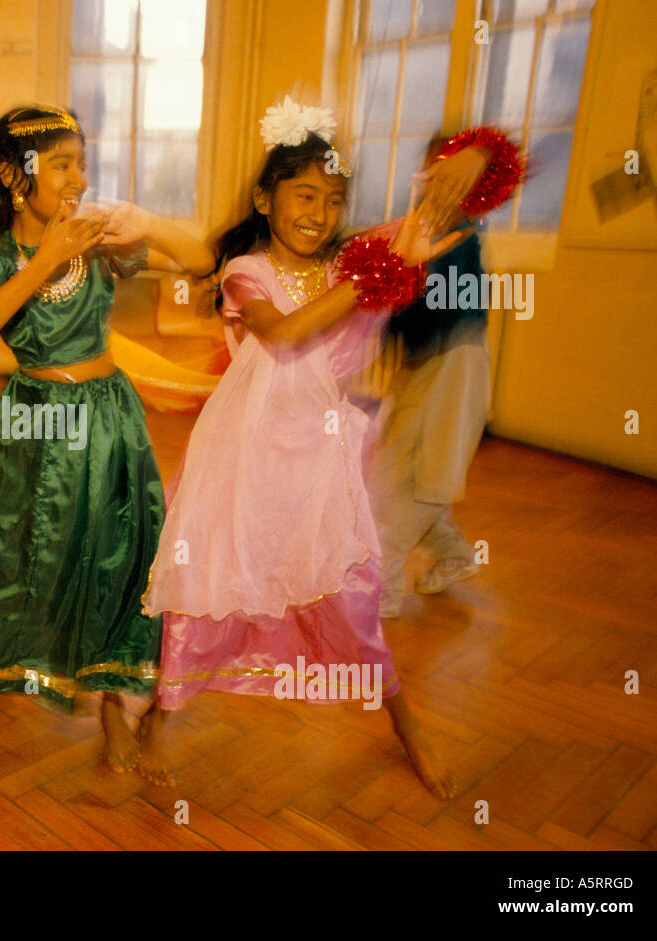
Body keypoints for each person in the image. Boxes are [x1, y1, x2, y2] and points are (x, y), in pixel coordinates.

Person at [140, 100, 518, 797]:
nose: (320, 210)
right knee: (211, 598)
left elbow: (463, 195)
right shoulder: (246, 270)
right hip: (246, 465)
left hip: (319, 466)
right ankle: (155, 721)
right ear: (266, 198)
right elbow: (283, 335)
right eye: (305, 194)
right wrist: (370, 279)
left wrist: (472, 158)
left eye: (335, 198)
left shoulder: (353, 259)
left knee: (357, 604)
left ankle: (409, 730)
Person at [0, 105, 215, 777]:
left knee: (118, 560)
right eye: (61, 163)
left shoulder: (96, 238)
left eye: (81, 162)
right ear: (14, 176)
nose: (78, 177)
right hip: (34, 422)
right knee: (23, 561)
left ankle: (112, 712)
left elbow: (201, 258)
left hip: (108, 420)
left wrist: (145, 225)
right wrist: (49, 258)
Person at [371, 135, 492, 618]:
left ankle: (382, 588)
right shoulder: (423, 228)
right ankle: (453, 552)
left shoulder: (459, 235)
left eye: (446, 176)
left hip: (451, 362)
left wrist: (393, 310)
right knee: (404, 467)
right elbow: (404, 303)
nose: (432, 185)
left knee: (416, 478)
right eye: (428, 174)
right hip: (425, 365)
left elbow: (434, 306)